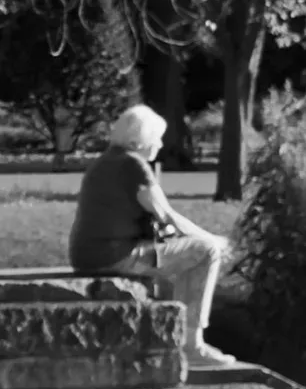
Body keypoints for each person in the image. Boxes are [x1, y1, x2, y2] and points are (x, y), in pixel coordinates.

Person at [68, 105, 236, 368]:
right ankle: (192, 345)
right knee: (205, 251)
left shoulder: (105, 161)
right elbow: (167, 215)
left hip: (88, 255)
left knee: (179, 258)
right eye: (156, 138)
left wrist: (176, 240)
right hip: (117, 257)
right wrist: (213, 239)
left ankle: (173, 338)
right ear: (138, 141)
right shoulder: (133, 166)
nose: (160, 144)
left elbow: (157, 222)